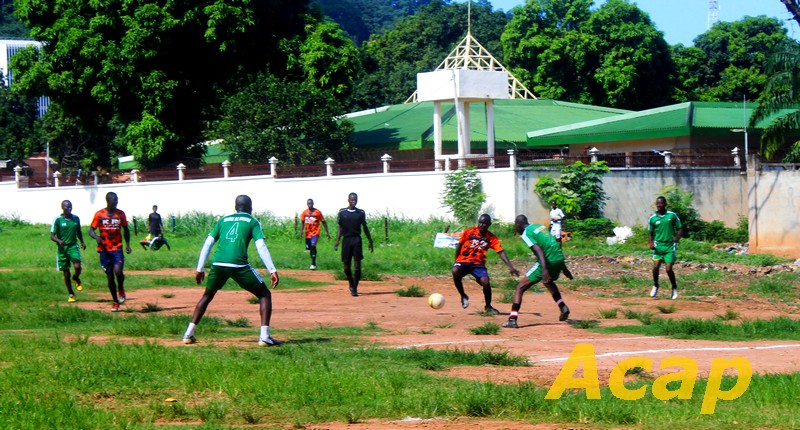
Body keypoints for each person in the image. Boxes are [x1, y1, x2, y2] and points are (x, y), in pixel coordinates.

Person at [182, 195, 282, 346]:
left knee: (207, 296)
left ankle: (188, 334)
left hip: (218, 264)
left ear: (235, 207)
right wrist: (272, 270)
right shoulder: (252, 221)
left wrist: (200, 268)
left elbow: (208, 243)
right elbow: (261, 245)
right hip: (238, 265)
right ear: (250, 208)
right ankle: (264, 337)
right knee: (264, 294)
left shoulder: (223, 220)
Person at [502, 215, 573, 328]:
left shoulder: (526, 233)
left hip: (548, 260)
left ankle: (512, 319)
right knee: (548, 282)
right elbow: (553, 244)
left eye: (515, 226)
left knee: (520, 287)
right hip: (559, 257)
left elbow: (539, 250)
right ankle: (562, 306)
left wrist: (544, 270)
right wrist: (564, 268)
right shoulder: (539, 226)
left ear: (518, 226)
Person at [451, 214, 520, 314]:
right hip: (463, 261)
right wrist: (456, 261)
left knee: (485, 282)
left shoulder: (491, 238)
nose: (481, 225)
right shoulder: (469, 232)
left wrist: (511, 267)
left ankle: (488, 306)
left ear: (489, 224)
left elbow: (501, 252)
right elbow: (459, 245)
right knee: (455, 271)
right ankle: (463, 295)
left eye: (484, 223)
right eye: (480, 222)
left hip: (478, 265)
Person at [87, 192, 132, 312]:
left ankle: (121, 288)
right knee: (110, 276)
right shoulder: (100, 214)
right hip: (104, 250)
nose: (116, 203)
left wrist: (127, 244)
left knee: (118, 271)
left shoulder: (121, 214)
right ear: (108, 201)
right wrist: (96, 238)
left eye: (117, 200)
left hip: (117, 248)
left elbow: (126, 229)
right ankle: (115, 302)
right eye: (114, 201)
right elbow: (91, 230)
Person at [333, 192, 373, 297]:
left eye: (355, 199)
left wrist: (370, 240)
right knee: (346, 267)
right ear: (348, 200)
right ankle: (351, 282)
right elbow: (340, 229)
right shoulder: (342, 213)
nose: (353, 201)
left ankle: (354, 288)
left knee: (357, 265)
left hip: (356, 240)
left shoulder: (360, 213)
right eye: (351, 199)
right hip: (346, 240)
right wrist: (337, 241)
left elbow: (365, 227)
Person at [50, 200, 87, 302]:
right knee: (66, 273)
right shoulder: (58, 220)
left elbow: (78, 231)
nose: (69, 208)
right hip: (62, 249)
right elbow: (52, 236)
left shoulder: (75, 218)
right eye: (67, 207)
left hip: (73, 246)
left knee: (77, 266)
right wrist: (59, 240)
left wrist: (82, 242)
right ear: (62, 208)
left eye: (70, 206)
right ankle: (71, 293)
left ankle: (76, 278)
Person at [648, 196, 683, 300]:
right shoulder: (653, 218)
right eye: (658, 203)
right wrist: (650, 242)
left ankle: (674, 287)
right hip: (658, 246)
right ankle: (655, 285)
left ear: (665, 204)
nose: (659, 205)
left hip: (669, 246)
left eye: (661, 203)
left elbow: (680, 228)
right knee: (655, 267)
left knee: (668, 269)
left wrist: (677, 237)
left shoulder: (671, 216)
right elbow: (650, 232)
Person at [300, 198, 331, 270]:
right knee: (310, 248)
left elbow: (323, 222)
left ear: (313, 204)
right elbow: (302, 222)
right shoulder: (304, 212)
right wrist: (301, 231)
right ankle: (313, 260)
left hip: (315, 232)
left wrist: (327, 232)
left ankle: (313, 263)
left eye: (311, 204)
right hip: (308, 233)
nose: (310, 205)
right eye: (308, 204)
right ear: (307, 204)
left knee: (313, 246)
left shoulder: (317, 212)